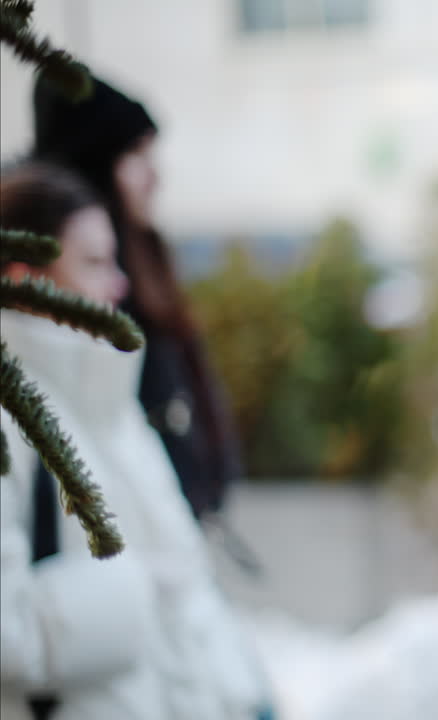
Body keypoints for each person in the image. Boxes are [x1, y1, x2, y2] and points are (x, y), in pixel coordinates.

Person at [0, 164, 274, 720]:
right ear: (25, 280)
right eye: (95, 263)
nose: (120, 284)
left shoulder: (113, 407)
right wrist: (134, 592)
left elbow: (188, 596)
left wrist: (243, 695)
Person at [28, 71, 241, 523]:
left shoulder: (143, 255)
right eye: (136, 157)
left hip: (172, 516)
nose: (155, 176)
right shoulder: (79, 294)